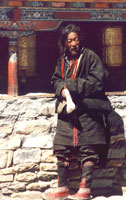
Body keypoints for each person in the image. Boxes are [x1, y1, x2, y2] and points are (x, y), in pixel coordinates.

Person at [43, 24, 112, 200]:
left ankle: (84, 189)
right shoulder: (62, 61)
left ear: (80, 40)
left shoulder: (91, 57)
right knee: (61, 148)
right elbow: (56, 80)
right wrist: (62, 89)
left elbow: (98, 82)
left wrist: (71, 85)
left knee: (88, 150)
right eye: (70, 40)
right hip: (68, 113)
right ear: (65, 43)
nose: (74, 43)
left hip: (88, 112)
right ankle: (62, 187)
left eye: (76, 39)